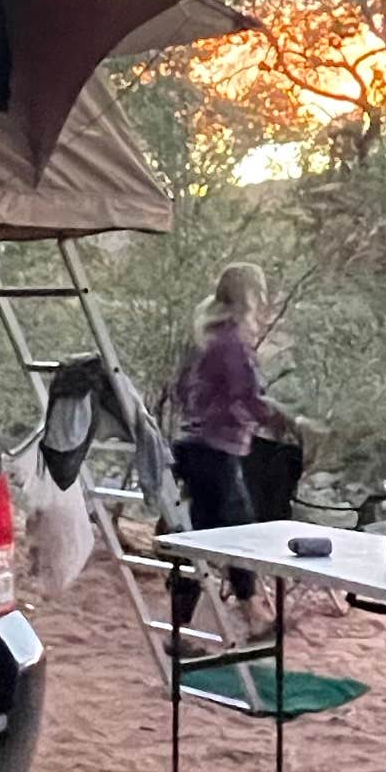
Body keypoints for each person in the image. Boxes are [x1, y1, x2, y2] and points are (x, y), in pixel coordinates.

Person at [164, 262, 295, 636]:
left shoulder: (202, 335)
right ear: (249, 296)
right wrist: (286, 421)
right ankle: (253, 614)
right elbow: (248, 395)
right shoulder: (233, 342)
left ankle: (182, 626)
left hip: (190, 443)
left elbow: (180, 389)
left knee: (198, 537)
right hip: (216, 448)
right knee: (238, 533)